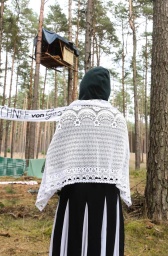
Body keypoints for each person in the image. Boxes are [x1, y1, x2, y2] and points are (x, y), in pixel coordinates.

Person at [36, 66, 132, 256]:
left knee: (72, 242)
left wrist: (52, 184)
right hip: (107, 195)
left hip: (75, 192)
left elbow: (55, 155)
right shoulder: (118, 118)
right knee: (103, 244)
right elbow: (122, 159)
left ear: (84, 86)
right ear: (107, 90)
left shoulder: (70, 114)